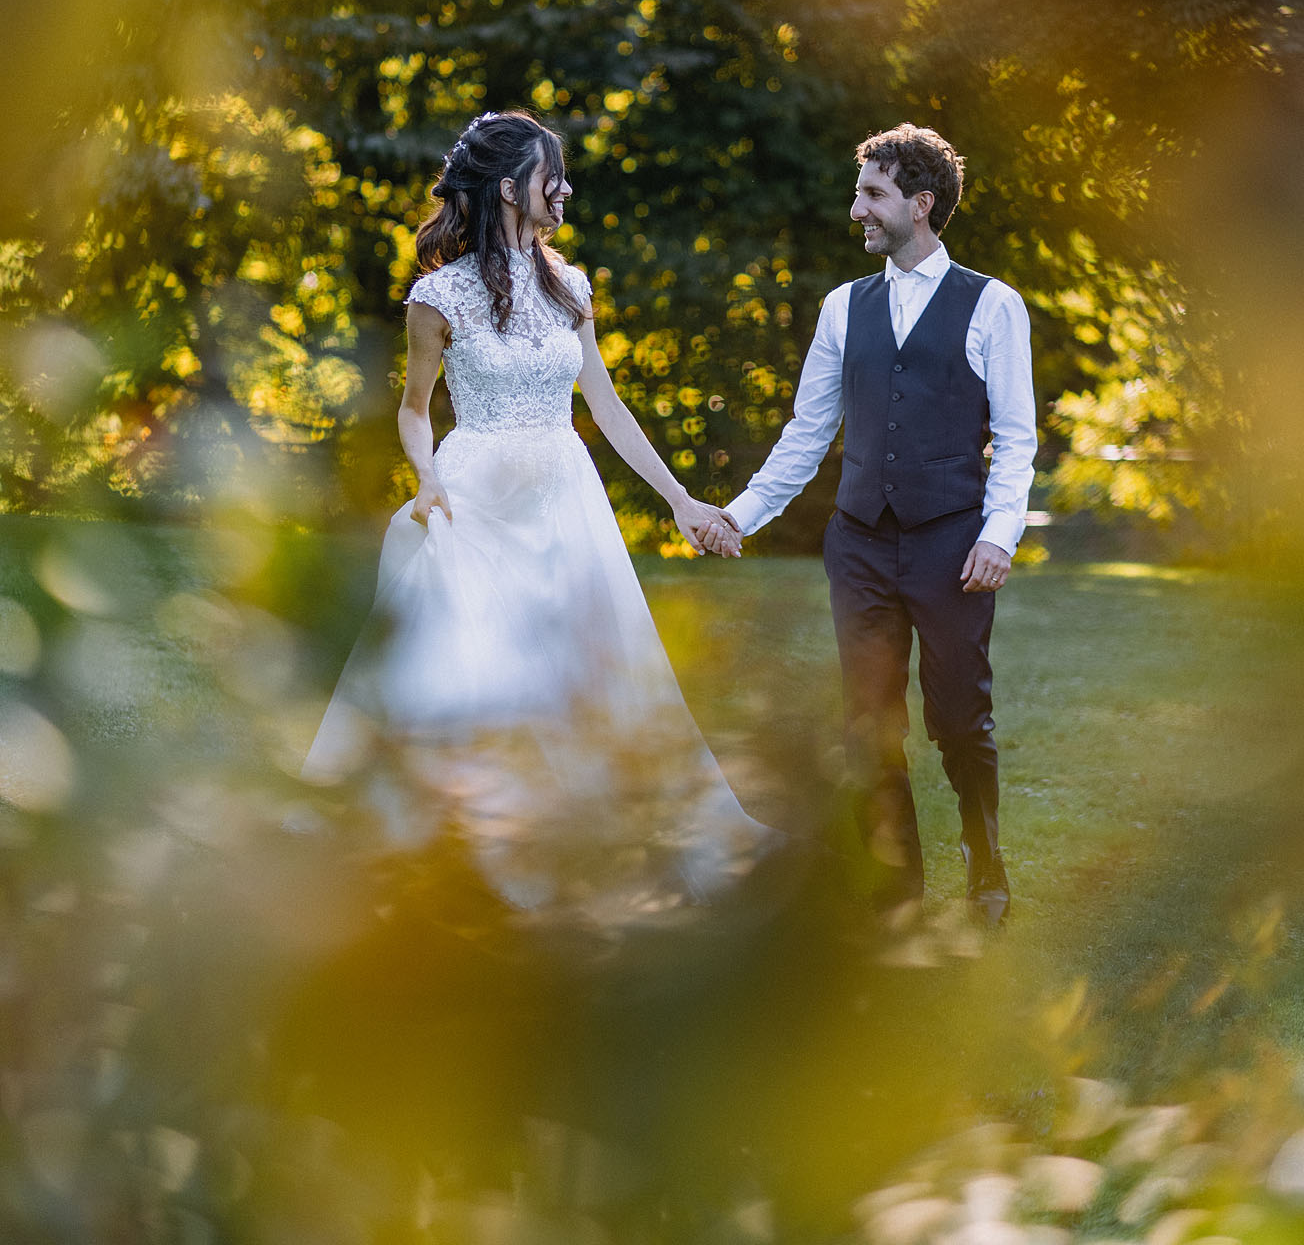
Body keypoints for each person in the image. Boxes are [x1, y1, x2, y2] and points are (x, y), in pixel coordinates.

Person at [302, 109, 771, 918]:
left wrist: (680, 499)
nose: (565, 186)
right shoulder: (438, 294)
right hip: (474, 496)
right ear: (507, 185)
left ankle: (586, 838)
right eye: (550, 172)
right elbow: (416, 409)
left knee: (589, 665)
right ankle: (459, 848)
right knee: (470, 661)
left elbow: (608, 407)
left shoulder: (571, 286)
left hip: (565, 495)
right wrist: (424, 476)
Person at [701, 124, 1036, 926]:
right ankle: (895, 892)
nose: (857, 209)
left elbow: (1017, 436)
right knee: (869, 725)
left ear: (919, 205)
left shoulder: (993, 305)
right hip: (858, 545)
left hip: (953, 544)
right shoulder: (842, 308)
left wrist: (999, 535)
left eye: (872, 194)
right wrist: (737, 515)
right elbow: (807, 433)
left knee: (958, 720)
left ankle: (985, 871)